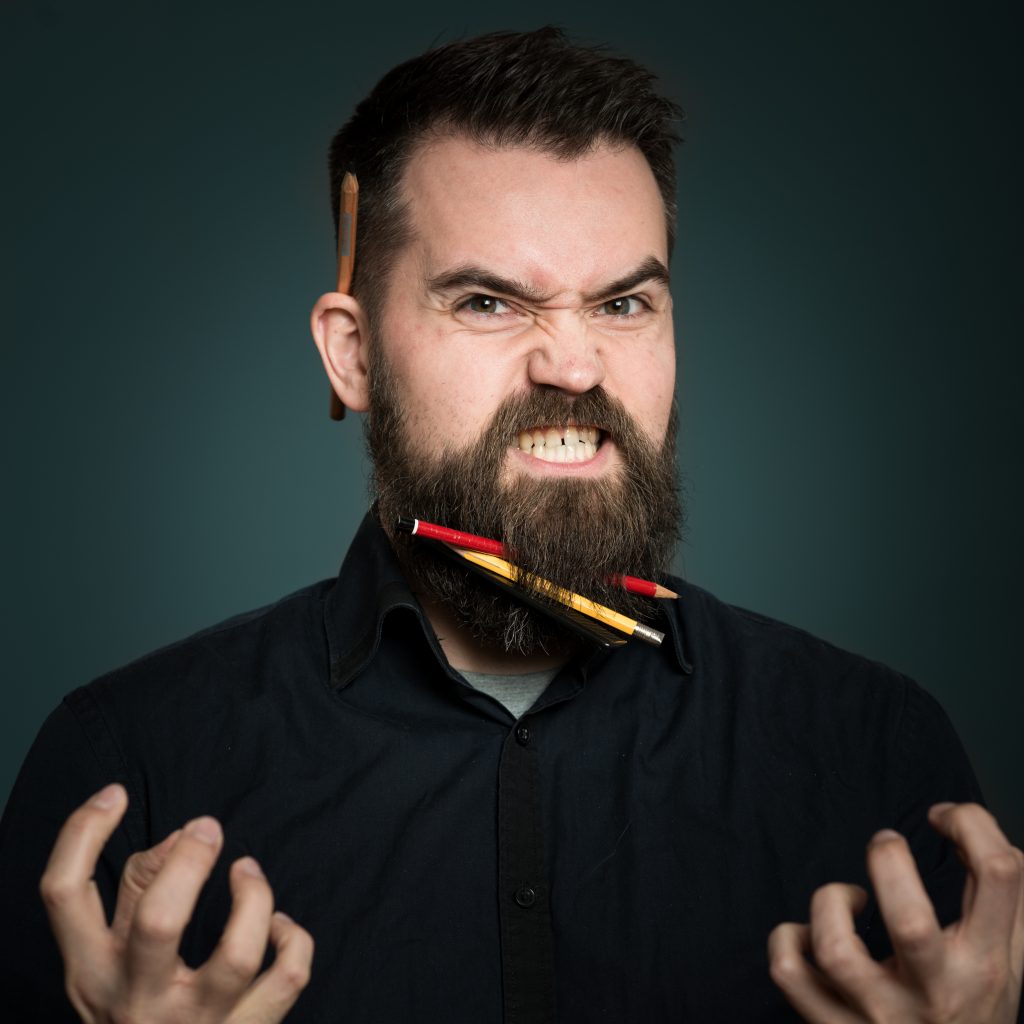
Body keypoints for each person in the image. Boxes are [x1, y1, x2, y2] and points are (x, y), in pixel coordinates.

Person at [1, 27, 1021, 1024]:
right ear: (352, 356)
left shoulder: (875, 749)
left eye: (623, 305)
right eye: (489, 302)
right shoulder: (131, 763)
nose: (572, 367)